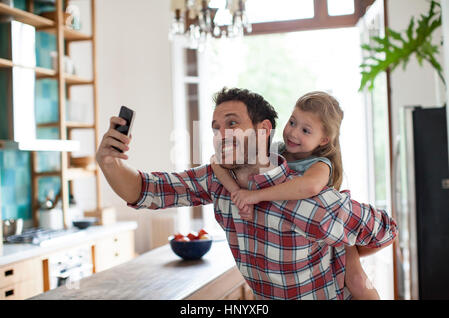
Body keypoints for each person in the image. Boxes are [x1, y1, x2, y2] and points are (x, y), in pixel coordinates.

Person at [96, 87, 398, 300]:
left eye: (232, 123)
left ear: (264, 130)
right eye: (215, 128)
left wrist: (346, 254)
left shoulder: (312, 201)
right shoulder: (217, 181)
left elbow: (386, 230)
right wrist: (109, 163)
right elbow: (148, 189)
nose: (221, 134)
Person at [211, 91, 380, 299]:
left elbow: (307, 188)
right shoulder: (277, 152)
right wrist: (238, 192)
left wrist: (256, 196)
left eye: (305, 130)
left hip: (332, 232)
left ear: (324, 140)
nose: (293, 133)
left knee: (357, 281)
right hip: (303, 241)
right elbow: (215, 162)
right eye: (292, 122)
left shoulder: (320, 165)